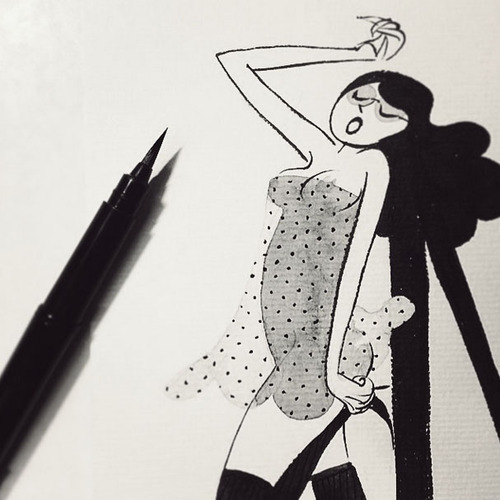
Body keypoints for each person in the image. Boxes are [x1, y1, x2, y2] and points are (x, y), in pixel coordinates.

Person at [167, 17, 500, 500]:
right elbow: (236, 64)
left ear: (403, 130)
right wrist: (356, 53)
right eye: (360, 97)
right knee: (333, 479)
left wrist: (331, 371)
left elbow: (350, 268)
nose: (364, 113)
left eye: (386, 113)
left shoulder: (372, 165)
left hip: (317, 348)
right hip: (283, 340)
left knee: (242, 482)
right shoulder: (317, 149)